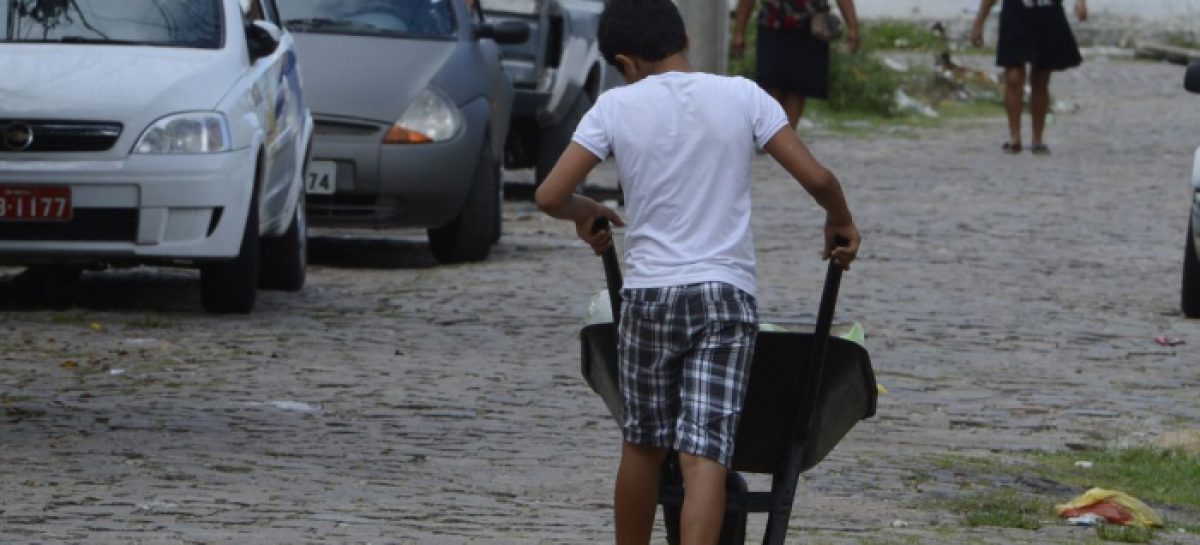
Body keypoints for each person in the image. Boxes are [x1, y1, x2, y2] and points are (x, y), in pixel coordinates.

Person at [533, 1, 861, 543]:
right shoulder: (743, 96)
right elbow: (819, 179)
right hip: (724, 296)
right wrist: (840, 219)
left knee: (642, 444)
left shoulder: (614, 107)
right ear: (684, 37)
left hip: (648, 297)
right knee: (704, 453)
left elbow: (549, 194)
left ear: (625, 62)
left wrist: (585, 210)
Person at [972, 0, 1088, 155]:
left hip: (1047, 11)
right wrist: (979, 22)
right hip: (1016, 12)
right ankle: (1015, 138)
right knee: (1013, 77)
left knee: (1041, 78)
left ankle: (1037, 139)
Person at [731, 0, 861, 129]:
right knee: (770, 85)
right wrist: (739, 31)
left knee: (798, 89)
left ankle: (786, 134)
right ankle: (768, 133)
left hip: (811, 28)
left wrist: (853, 28)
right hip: (773, 23)